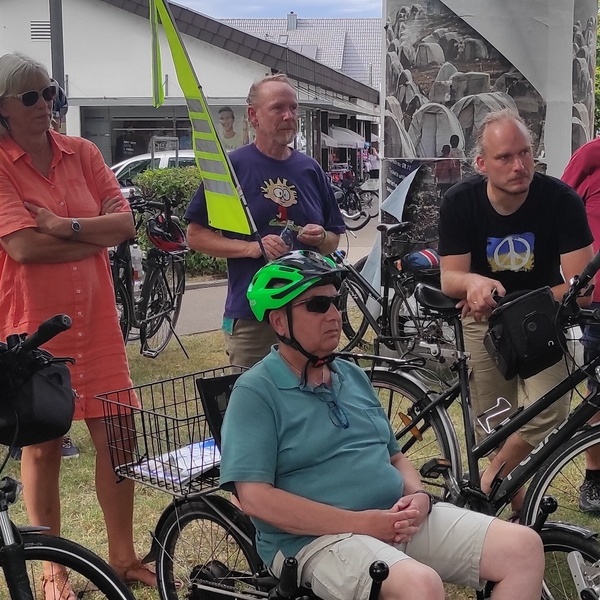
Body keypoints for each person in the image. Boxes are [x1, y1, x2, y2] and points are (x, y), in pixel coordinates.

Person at [220, 250, 544, 600]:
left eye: (336, 301)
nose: (334, 315)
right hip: (314, 540)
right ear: (280, 322)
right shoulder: (257, 390)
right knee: (420, 585)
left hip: (394, 519)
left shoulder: (351, 375)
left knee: (522, 547)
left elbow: (394, 457)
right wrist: (363, 523)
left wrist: (418, 496)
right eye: (316, 305)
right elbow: (254, 499)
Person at [0, 52, 155, 595]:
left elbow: (126, 224)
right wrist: (91, 232)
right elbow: (21, 246)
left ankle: (123, 556)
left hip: (97, 323)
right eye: (30, 97)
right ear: (2, 108)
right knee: (42, 445)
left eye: (50, 93)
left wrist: (63, 225)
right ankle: (51, 569)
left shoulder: (84, 151)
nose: (45, 105)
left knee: (119, 434)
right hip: (33, 330)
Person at [438, 109, 594, 514]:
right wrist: (473, 283)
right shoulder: (459, 202)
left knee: (552, 407)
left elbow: (584, 289)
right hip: (482, 321)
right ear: (482, 163)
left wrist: (527, 302)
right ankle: (519, 510)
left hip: (541, 318)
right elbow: (450, 277)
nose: (520, 165)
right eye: (505, 157)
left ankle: (487, 483)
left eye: (525, 152)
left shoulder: (561, 199)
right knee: (494, 422)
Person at [185, 74, 346, 367]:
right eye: (277, 108)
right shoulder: (232, 168)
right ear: (253, 116)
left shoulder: (310, 169)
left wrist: (321, 238)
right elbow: (195, 235)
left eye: (294, 108)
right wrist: (252, 248)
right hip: (253, 316)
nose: (289, 116)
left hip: (311, 312)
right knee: (252, 404)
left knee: (311, 403)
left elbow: (334, 237)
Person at [561, 136, 600, 513]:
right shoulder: (592, 154)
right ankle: (594, 476)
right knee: (597, 391)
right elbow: (559, 200)